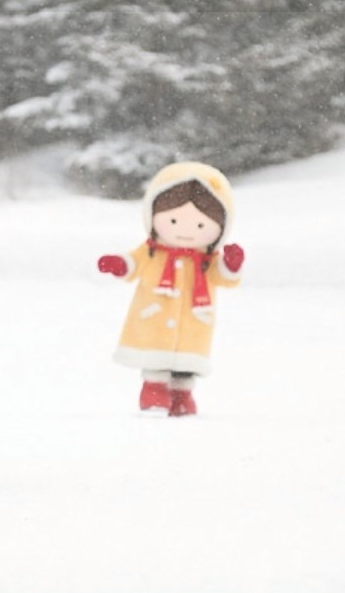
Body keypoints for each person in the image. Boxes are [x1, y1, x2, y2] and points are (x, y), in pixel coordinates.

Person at [97, 161, 245, 417]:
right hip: (154, 317)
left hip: (193, 321)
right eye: (173, 220)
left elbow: (225, 278)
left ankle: (181, 394)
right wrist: (119, 264)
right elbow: (134, 263)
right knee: (156, 357)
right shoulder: (152, 251)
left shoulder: (207, 259)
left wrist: (231, 264)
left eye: (201, 226)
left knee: (186, 362)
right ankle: (154, 389)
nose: (187, 231)